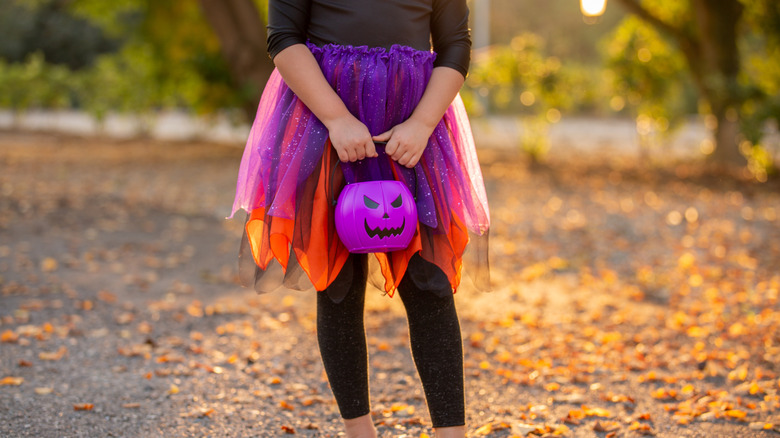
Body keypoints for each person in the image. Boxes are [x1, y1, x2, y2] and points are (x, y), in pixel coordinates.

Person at [230, 1, 491, 436]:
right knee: (339, 284)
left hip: (413, 122)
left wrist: (422, 124)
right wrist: (337, 119)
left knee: (429, 283)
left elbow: (455, 45)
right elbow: (284, 38)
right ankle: (360, 431)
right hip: (323, 120)